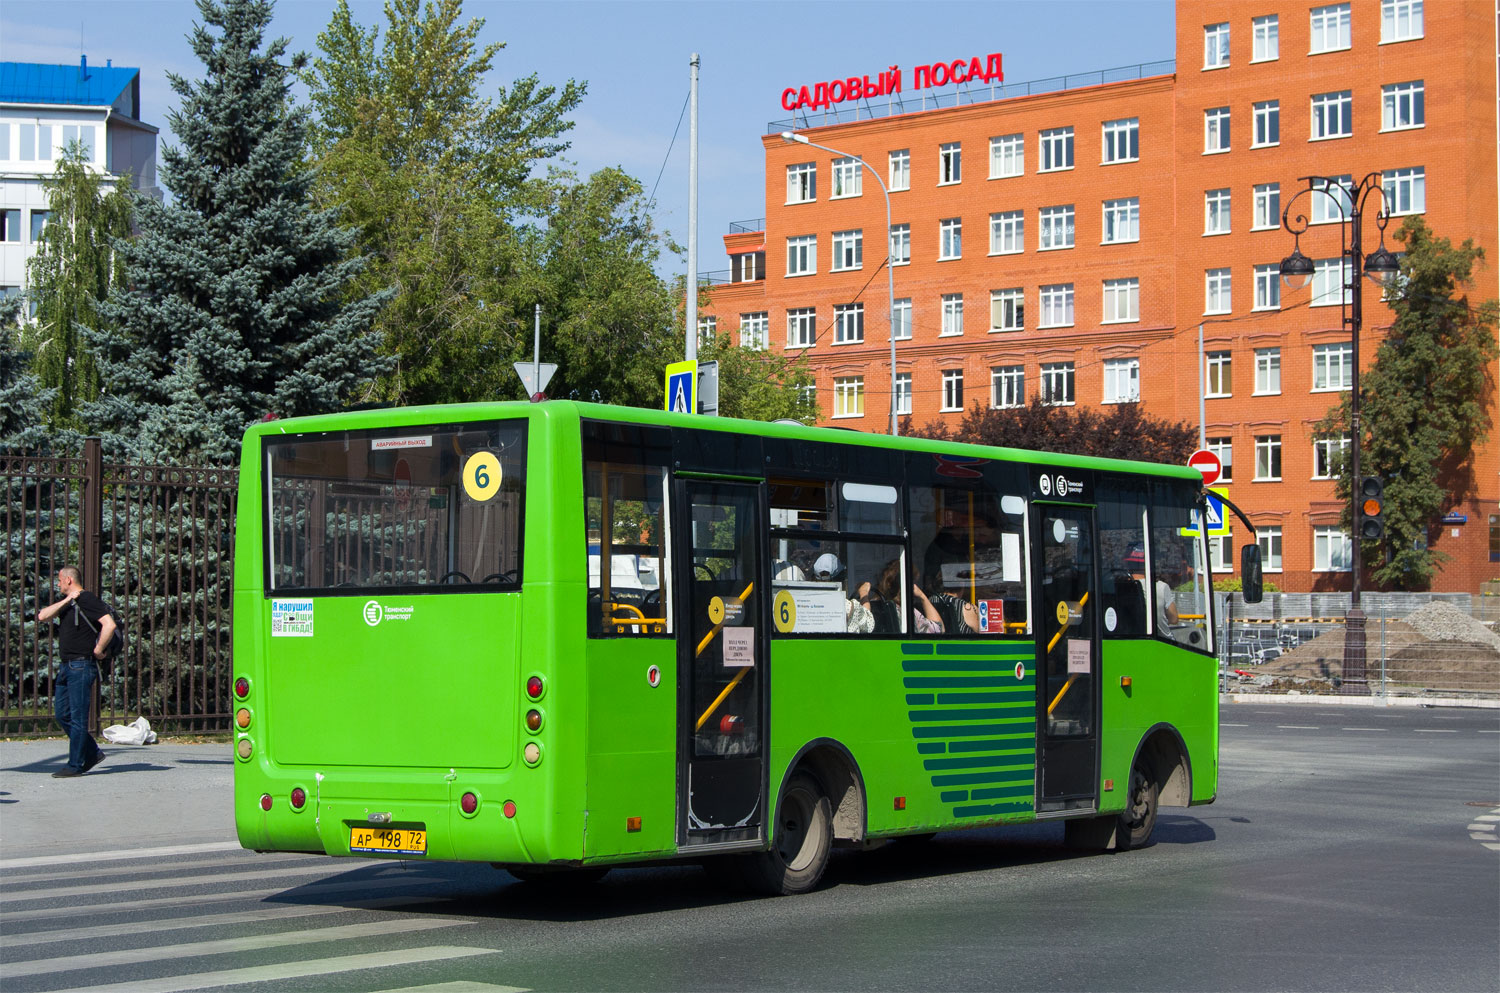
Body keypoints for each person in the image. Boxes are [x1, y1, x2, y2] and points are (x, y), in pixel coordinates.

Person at [36, 566, 113, 778]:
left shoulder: (87, 599)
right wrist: (68, 600)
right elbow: (42, 616)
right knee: (62, 714)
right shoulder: (70, 602)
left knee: (78, 717)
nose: (57, 584)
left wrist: (98, 649)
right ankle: (93, 753)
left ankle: (75, 765)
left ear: (69, 580)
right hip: (66, 666)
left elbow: (109, 624)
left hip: (81, 666)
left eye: (60, 580)